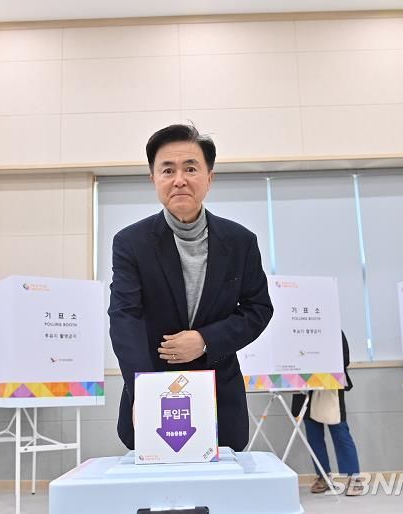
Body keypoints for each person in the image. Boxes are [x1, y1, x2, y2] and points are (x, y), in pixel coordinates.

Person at [108, 124, 273, 451]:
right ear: (153, 178)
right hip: (155, 391)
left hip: (220, 398)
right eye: (168, 170)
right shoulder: (130, 243)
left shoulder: (240, 242)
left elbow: (258, 309)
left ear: (209, 178)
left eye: (191, 168)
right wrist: (144, 392)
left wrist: (205, 340)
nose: (179, 179)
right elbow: (125, 318)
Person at [291, 331, 363, 496]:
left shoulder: (333, 328)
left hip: (330, 384)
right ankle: (323, 476)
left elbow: (345, 358)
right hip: (305, 385)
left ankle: (353, 478)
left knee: (340, 432)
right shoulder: (296, 328)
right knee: (313, 435)